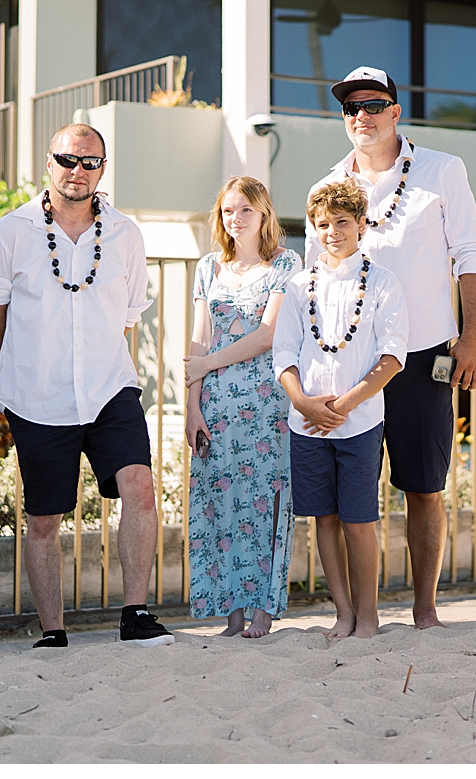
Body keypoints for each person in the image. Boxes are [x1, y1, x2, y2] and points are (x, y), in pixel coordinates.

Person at [305, 66, 476, 629]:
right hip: (349, 363)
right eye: (350, 107)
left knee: (423, 487)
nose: (361, 115)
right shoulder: (327, 187)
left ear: (396, 112)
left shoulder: (442, 170)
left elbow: (471, 254)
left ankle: (425, 610)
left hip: (422, 357)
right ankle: (353, 613)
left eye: (373, 104)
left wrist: (474, 336)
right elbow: (315, 279)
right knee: (342, 498)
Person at [0, 123, 173, 648]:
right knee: (44, 518)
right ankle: (53, 631)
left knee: (140, 487)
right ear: (49, 162)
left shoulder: (126, 234)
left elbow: (127, 316)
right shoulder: (10, 232)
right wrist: (31, 354)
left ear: (102, 170)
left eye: (89, 162)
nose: (77, 171)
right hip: (36, 394)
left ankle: (135, 614)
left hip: (110, 387)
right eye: (68, 159)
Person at [275, 179, 409, 639]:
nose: (333, 231)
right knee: (323, 520)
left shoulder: (383, 282)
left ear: (361, 226)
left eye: (342, 222)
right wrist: (303, 404)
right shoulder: (297, 286)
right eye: (324, 223)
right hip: (306, 423)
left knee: (358, 521)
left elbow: (392, 357)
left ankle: (368, 616)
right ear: (313, 228)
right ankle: (343, 612)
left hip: (360, 422)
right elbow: (284, 355)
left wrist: (344, 406)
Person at [183, 177, 301, 638]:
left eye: (246, 210)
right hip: (214, 402)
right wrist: (192, 406)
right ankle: (230, 614)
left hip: (265, 403)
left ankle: (263, 610)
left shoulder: (285, 264)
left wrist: (208, 361)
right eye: (229, 211)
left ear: (264, 214)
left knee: (264, 500)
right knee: (219, 502)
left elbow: (268, 335)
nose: (236, 218)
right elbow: (198, 337)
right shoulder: (208, 267)